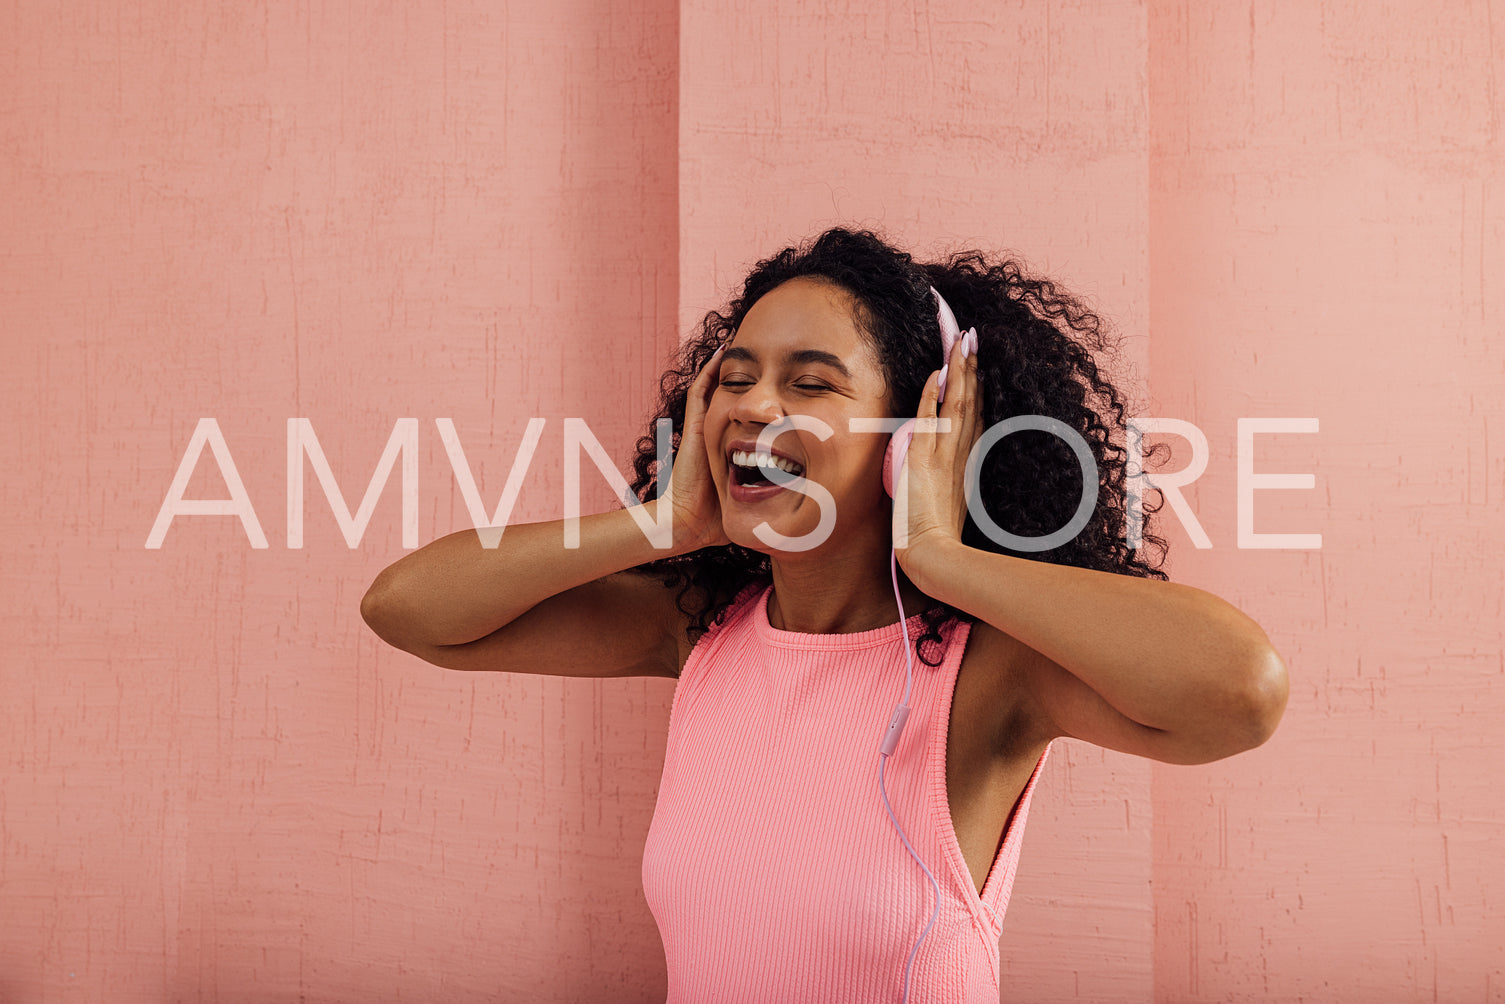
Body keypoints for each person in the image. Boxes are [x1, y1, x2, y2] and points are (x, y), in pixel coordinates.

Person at [360, 227, 1290, 1003]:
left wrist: (939, 555)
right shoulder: (699, 634)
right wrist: (661, 524)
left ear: (915, 438)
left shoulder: (990, 672)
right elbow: (410, 609)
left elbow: (1238, 692)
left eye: (810, 383)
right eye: (734, 378)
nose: (753, 405)